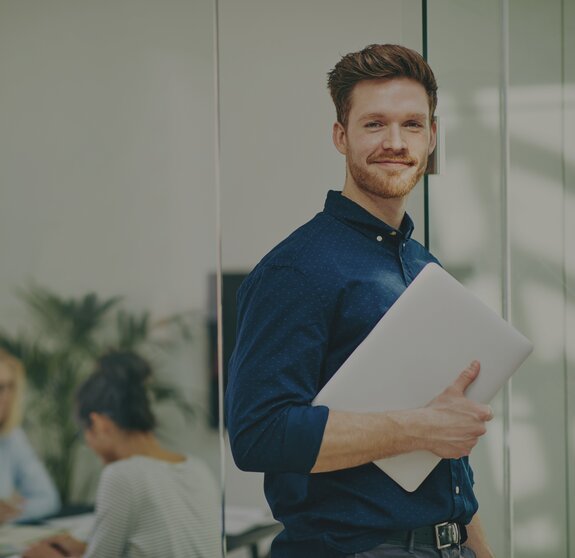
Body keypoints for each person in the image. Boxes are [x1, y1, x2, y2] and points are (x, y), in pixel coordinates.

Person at [225, 44, 495, 558]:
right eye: (375, 124)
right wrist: (423, 426)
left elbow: (448, 458)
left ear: (432, 137)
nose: (395, 142)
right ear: (340, 136)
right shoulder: (296, 268)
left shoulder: (423, 267)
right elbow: (257, 433)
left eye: (413, 125)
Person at [24, 350, 220, 558]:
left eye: (85, 434)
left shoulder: (123, 475)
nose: (89, 445)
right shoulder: (198, 467)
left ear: (99, 424)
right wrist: (85, 550)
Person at [0, 348, 60, 524]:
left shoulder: (11, 438)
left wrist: (11, 513)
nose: (6, 397)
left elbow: (48, 499)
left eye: (10, 387)